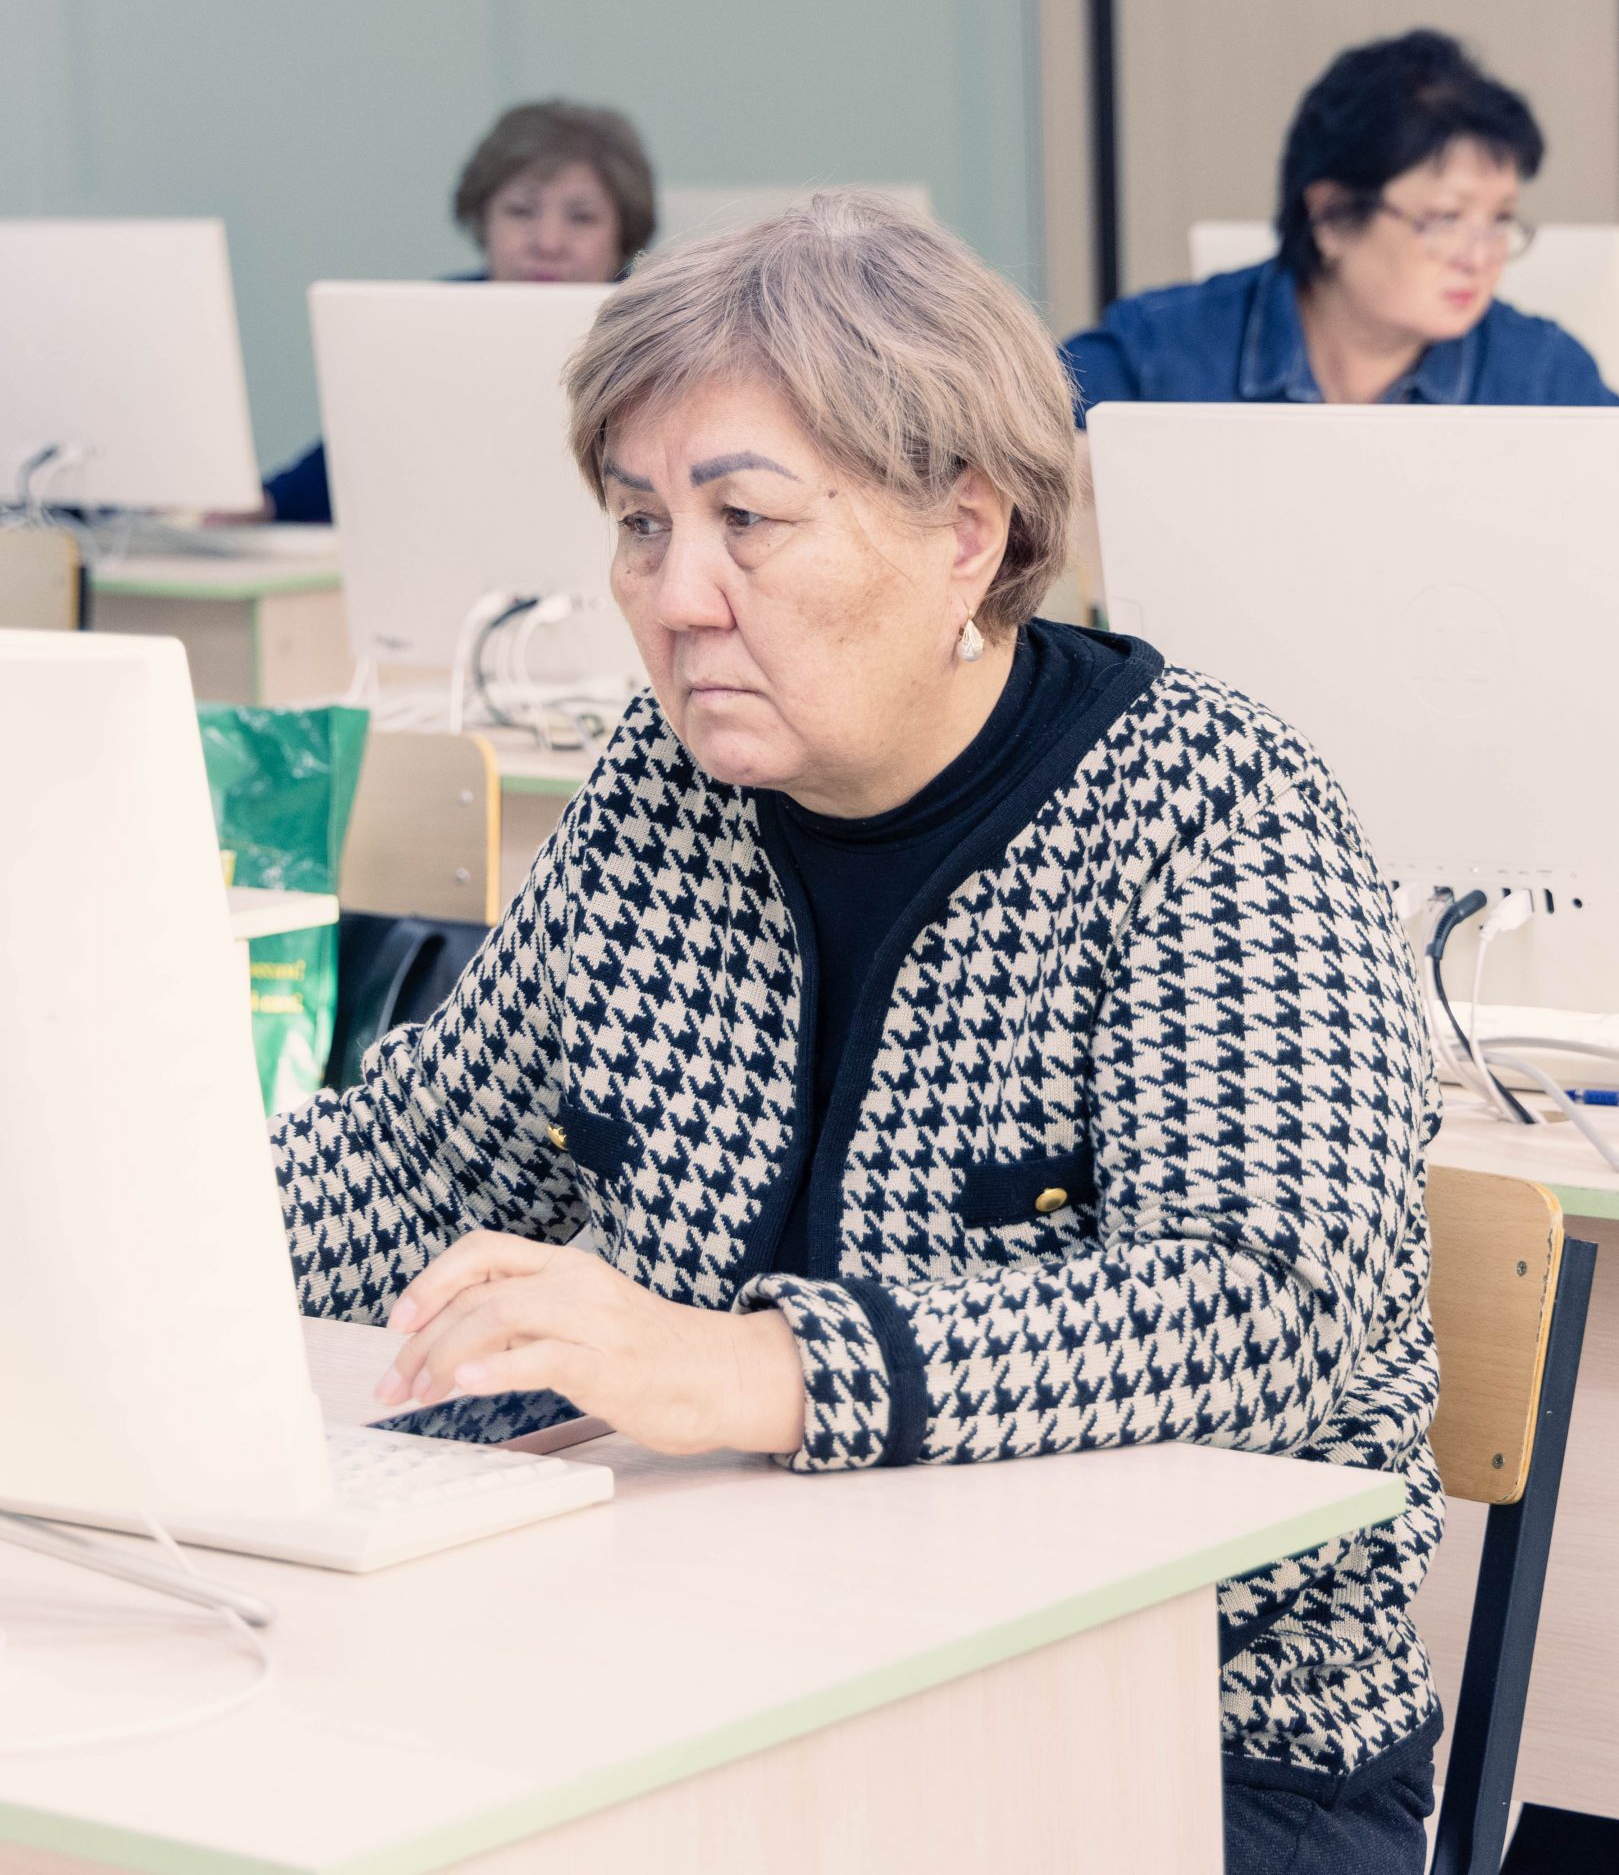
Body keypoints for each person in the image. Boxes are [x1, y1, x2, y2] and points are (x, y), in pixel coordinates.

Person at [274, 193, 1443, 1873]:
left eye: (744, 519)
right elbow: (412, 1168)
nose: (675, 595)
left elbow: (1261, 1300)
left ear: (961, 531)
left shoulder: (1209, 814)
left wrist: (752, 1369)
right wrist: (110, 1241)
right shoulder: (661, 791)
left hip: (1187, 1739)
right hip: (723, 1666)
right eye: (638, 523)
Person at [1062, 28, 1618, 416]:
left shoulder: (1545, 376)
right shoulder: (1157, 355)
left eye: (1500, 220)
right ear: (1331, 216)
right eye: (1446, 218)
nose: (1481, 258)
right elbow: (1023, 460)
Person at [265, 100, 657, 523]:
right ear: (482, 221)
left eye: (581, 218)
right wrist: (259, 503)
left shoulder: (659, 329)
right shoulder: (431, 319)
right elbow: (350, 462)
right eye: (520, 211)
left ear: (623, 233)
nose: (548, 242)